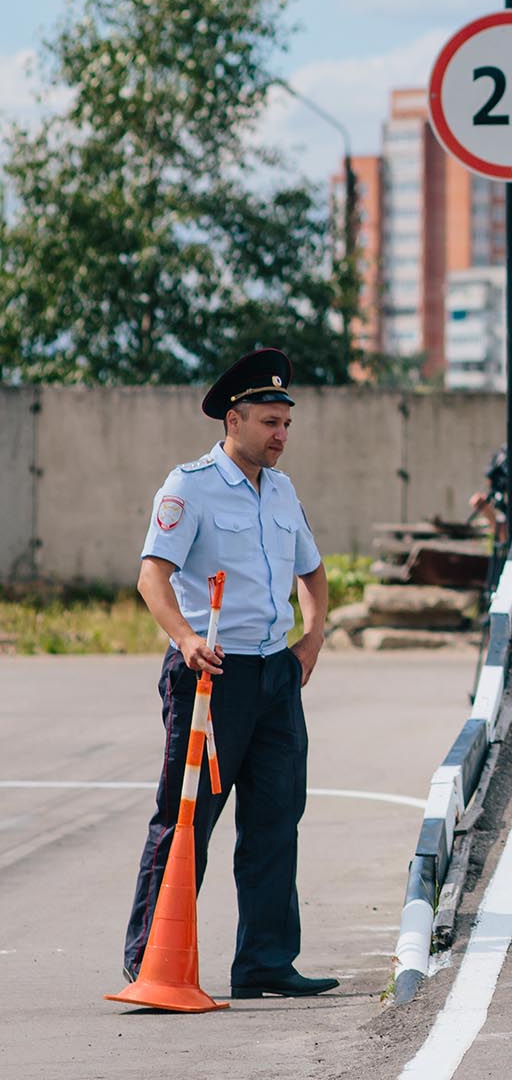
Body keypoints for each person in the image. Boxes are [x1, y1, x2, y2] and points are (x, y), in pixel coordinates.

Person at [120, 348, 338, 999]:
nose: (281, 435)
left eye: (286, 423)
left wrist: (313, 637)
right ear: (234, 420)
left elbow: (313, 571)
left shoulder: (283, 489)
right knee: (186, 819)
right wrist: (184, 638)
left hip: (276, 678)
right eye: (270, 421)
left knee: (276, 818)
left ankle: (265, 962)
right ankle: (152, 960)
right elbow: (151, 576)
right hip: (210, 678)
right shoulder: (190, 486)